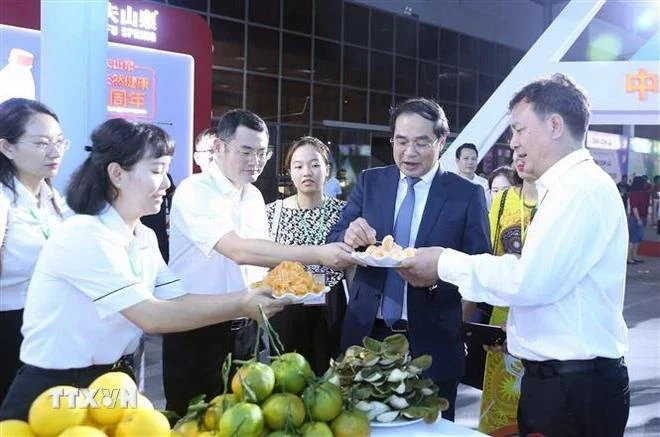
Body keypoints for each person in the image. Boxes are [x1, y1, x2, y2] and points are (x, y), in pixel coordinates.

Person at [0, 118, 285, 420]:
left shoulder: (143, 236)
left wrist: (249, 300)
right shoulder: (84, 234)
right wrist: (243, 303)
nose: (166, 183)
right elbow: (150, 315)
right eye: (156, 171)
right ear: (117, 174)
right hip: (58, 391)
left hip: (110, 383)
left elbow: (177, 299)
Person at [399, 73, 630, 437]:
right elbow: (551, 288)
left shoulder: (579, 191)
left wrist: (443, 261)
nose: (514, 143)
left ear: (555, 125)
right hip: (559, 384)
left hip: (572, 391)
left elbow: (529, 281)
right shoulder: (566, 189)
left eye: (520, 130)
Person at [165, 109, 355, 416]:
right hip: (199, 328)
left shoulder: (253, 197)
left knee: (245, 419)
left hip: (248, 330)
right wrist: (319, 253)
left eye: (262, 153)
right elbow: (240, 250)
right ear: (219, 148)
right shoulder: (195, 190)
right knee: (194, 420)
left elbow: (264, 259)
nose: (255, 160)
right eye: (245, 151)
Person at [326, 98, 491, 421]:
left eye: (421, 142)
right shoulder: (372, 182)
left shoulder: (465, 194)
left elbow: (480, 267)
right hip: (366, 335)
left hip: (433, 342)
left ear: (441, 141)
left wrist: (438, 284)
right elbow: (335, 238)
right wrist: (349, 236)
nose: (409, 152)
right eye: (401, 142)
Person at [0, 98, 69, 406]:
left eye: (59, 142)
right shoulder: (3, 199)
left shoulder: (53, 197)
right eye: (41, 143)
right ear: (7, 147)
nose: (54, 152)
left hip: (45, 325)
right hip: (8, 328)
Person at [265, 136, 347, 374]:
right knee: (286, 376)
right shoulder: (272, 212)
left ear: (327, 169)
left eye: (314, 164)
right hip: (285, 306)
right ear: (289, 172)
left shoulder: (344, 212)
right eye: (298, 166)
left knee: (329, 376)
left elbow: (351, 266)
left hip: (330, 306)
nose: (306, 172)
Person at [478, 154, 537, 435]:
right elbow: (486, 258)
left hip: (544, 320)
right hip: (503, 316)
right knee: (501, 411)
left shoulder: (562, 201)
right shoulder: (503, 202)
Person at [627, 175, 648, 264]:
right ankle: (629, 257)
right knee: (633, 239)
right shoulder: (635, 194)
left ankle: (634, 256)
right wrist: (638, 218)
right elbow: (634, 207)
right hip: (636, 218)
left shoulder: (643, 193)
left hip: (641, 217)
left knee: (638, 238)